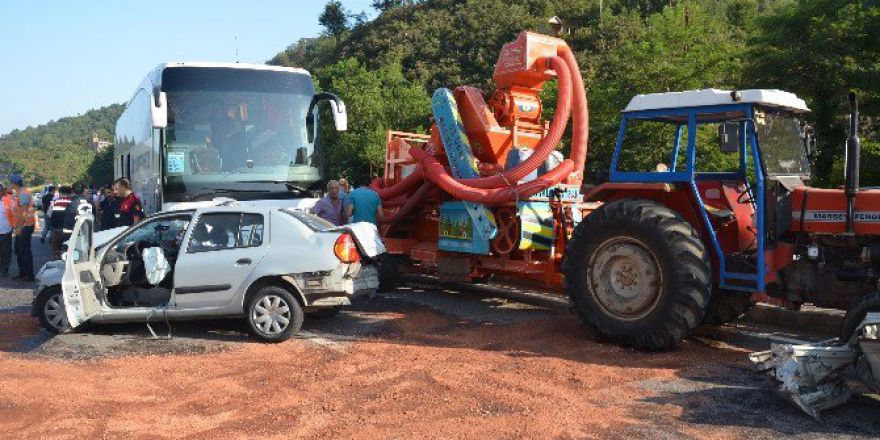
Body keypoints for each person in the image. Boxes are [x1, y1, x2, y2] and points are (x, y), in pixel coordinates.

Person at [10, 174, 35, 281]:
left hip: (24, 226)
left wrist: (19, 227)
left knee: (24, 251)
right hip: (23, 226)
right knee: (20, 251)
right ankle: (23, 273)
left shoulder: (23, 195)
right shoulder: (21, 194)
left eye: (11, 183)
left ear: (14, 184)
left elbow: (24, 213)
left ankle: (28, 275)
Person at [49, 186, 73, 260]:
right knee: (69, 248)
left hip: (57, 228)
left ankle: (56, 258)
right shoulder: (73, 201)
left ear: (60, 193)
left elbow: (49, 214)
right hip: (69, 229)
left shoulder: (55, 201)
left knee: (56, 247)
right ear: (70, 193)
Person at [0, 184, 13, 277]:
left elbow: (15, 214)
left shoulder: (9, 201)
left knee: (5, 252)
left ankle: (4, 270)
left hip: (5, 231)